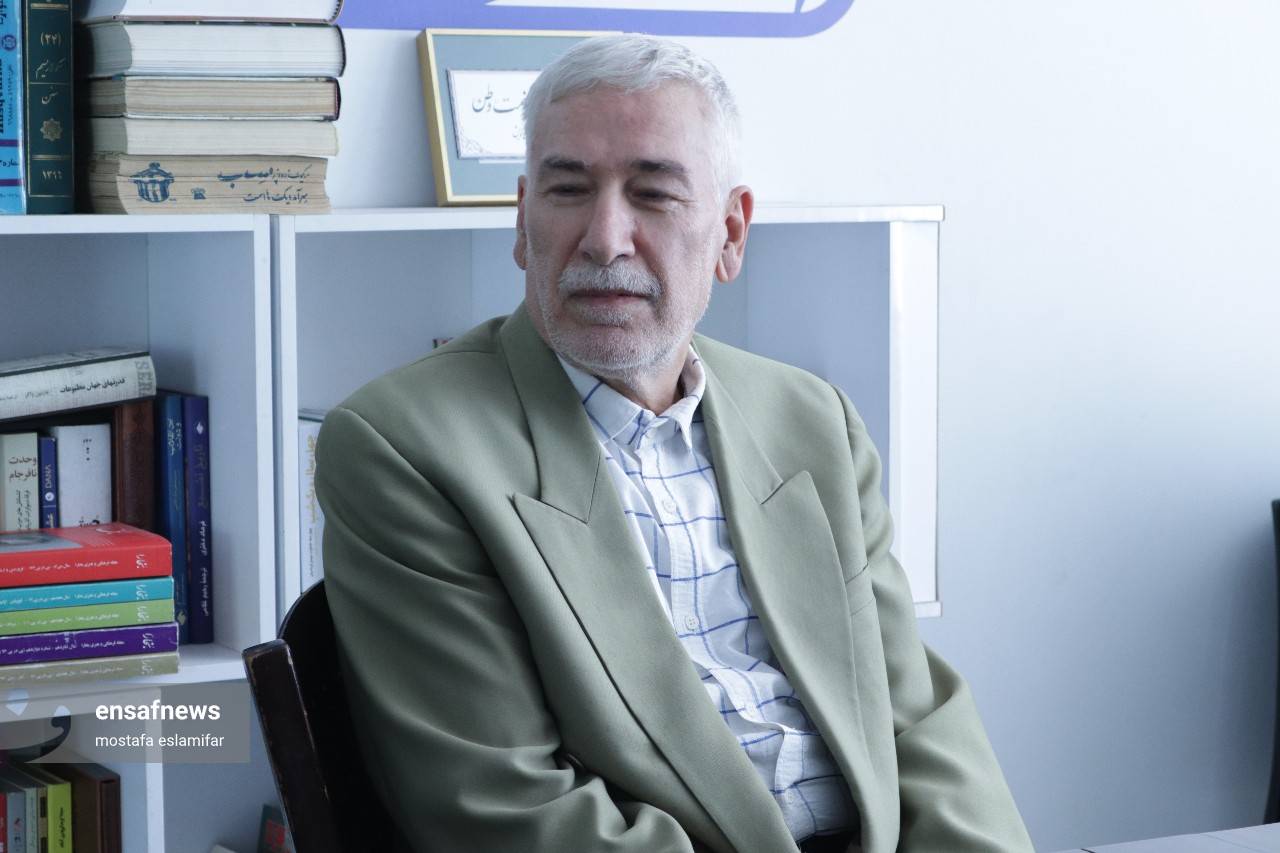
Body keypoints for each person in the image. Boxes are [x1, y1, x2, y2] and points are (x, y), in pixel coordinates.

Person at [316, 34, 1033, 853]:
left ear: (730, 232)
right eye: (567, 189)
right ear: (521, 220)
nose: (604, 238)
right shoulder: (403, 447)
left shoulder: (813, 420)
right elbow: (504, 809)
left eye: (653, 194)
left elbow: (915, 719)